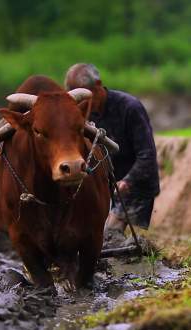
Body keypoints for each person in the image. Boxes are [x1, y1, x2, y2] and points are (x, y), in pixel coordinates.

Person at [64, 63, 160, 248]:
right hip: (104, 184)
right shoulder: (82, 115)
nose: (82, 105)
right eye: (77, 100)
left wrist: (127, 181)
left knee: (108, 236)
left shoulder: (130, 108)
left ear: (98, 85)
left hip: (134, 184)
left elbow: (147, 155)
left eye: (84, 97)